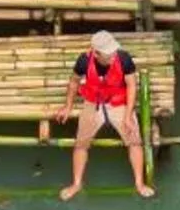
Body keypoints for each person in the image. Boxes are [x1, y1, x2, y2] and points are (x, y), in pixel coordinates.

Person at [63, 28, 153, 200]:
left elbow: (132, 85)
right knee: (81, 143)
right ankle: (76, 183)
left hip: (118, 101)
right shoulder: (83, 61)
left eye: (113, 51)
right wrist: (68, 106)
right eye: (108, 54)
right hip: (93, 101)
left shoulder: (124, 58)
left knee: (134, 139)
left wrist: (127, 116)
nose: (113, 55)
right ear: (96, 53)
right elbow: (74, 82)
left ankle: (139, 183)